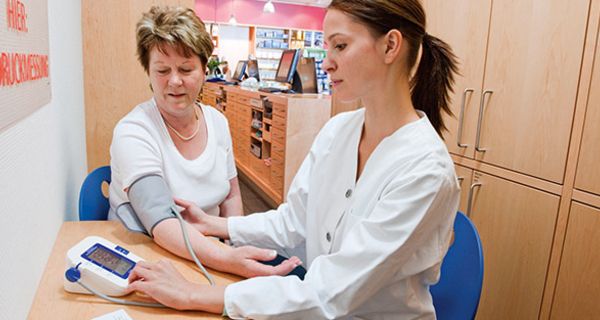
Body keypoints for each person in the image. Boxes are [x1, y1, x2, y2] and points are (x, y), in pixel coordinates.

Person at [127, 0, 461, 318]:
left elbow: (328, 293)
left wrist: (193, 295)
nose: (326, 61)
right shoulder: (338, 132)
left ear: (390, 46)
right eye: (327, 46)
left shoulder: (425, 171)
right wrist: (218, 224)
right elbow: (294, 222)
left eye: (340, 46)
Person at [108, 6, 299, 279]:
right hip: (156, 256)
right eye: (162, 70)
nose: (175, 81)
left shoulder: (217, 121)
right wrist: (231, 259)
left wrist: (237, 246)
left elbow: (231, 195)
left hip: (213, 251)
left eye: (186, 69)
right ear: (148, 72)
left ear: (204, 69)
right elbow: (161, 221)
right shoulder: (134, 131)